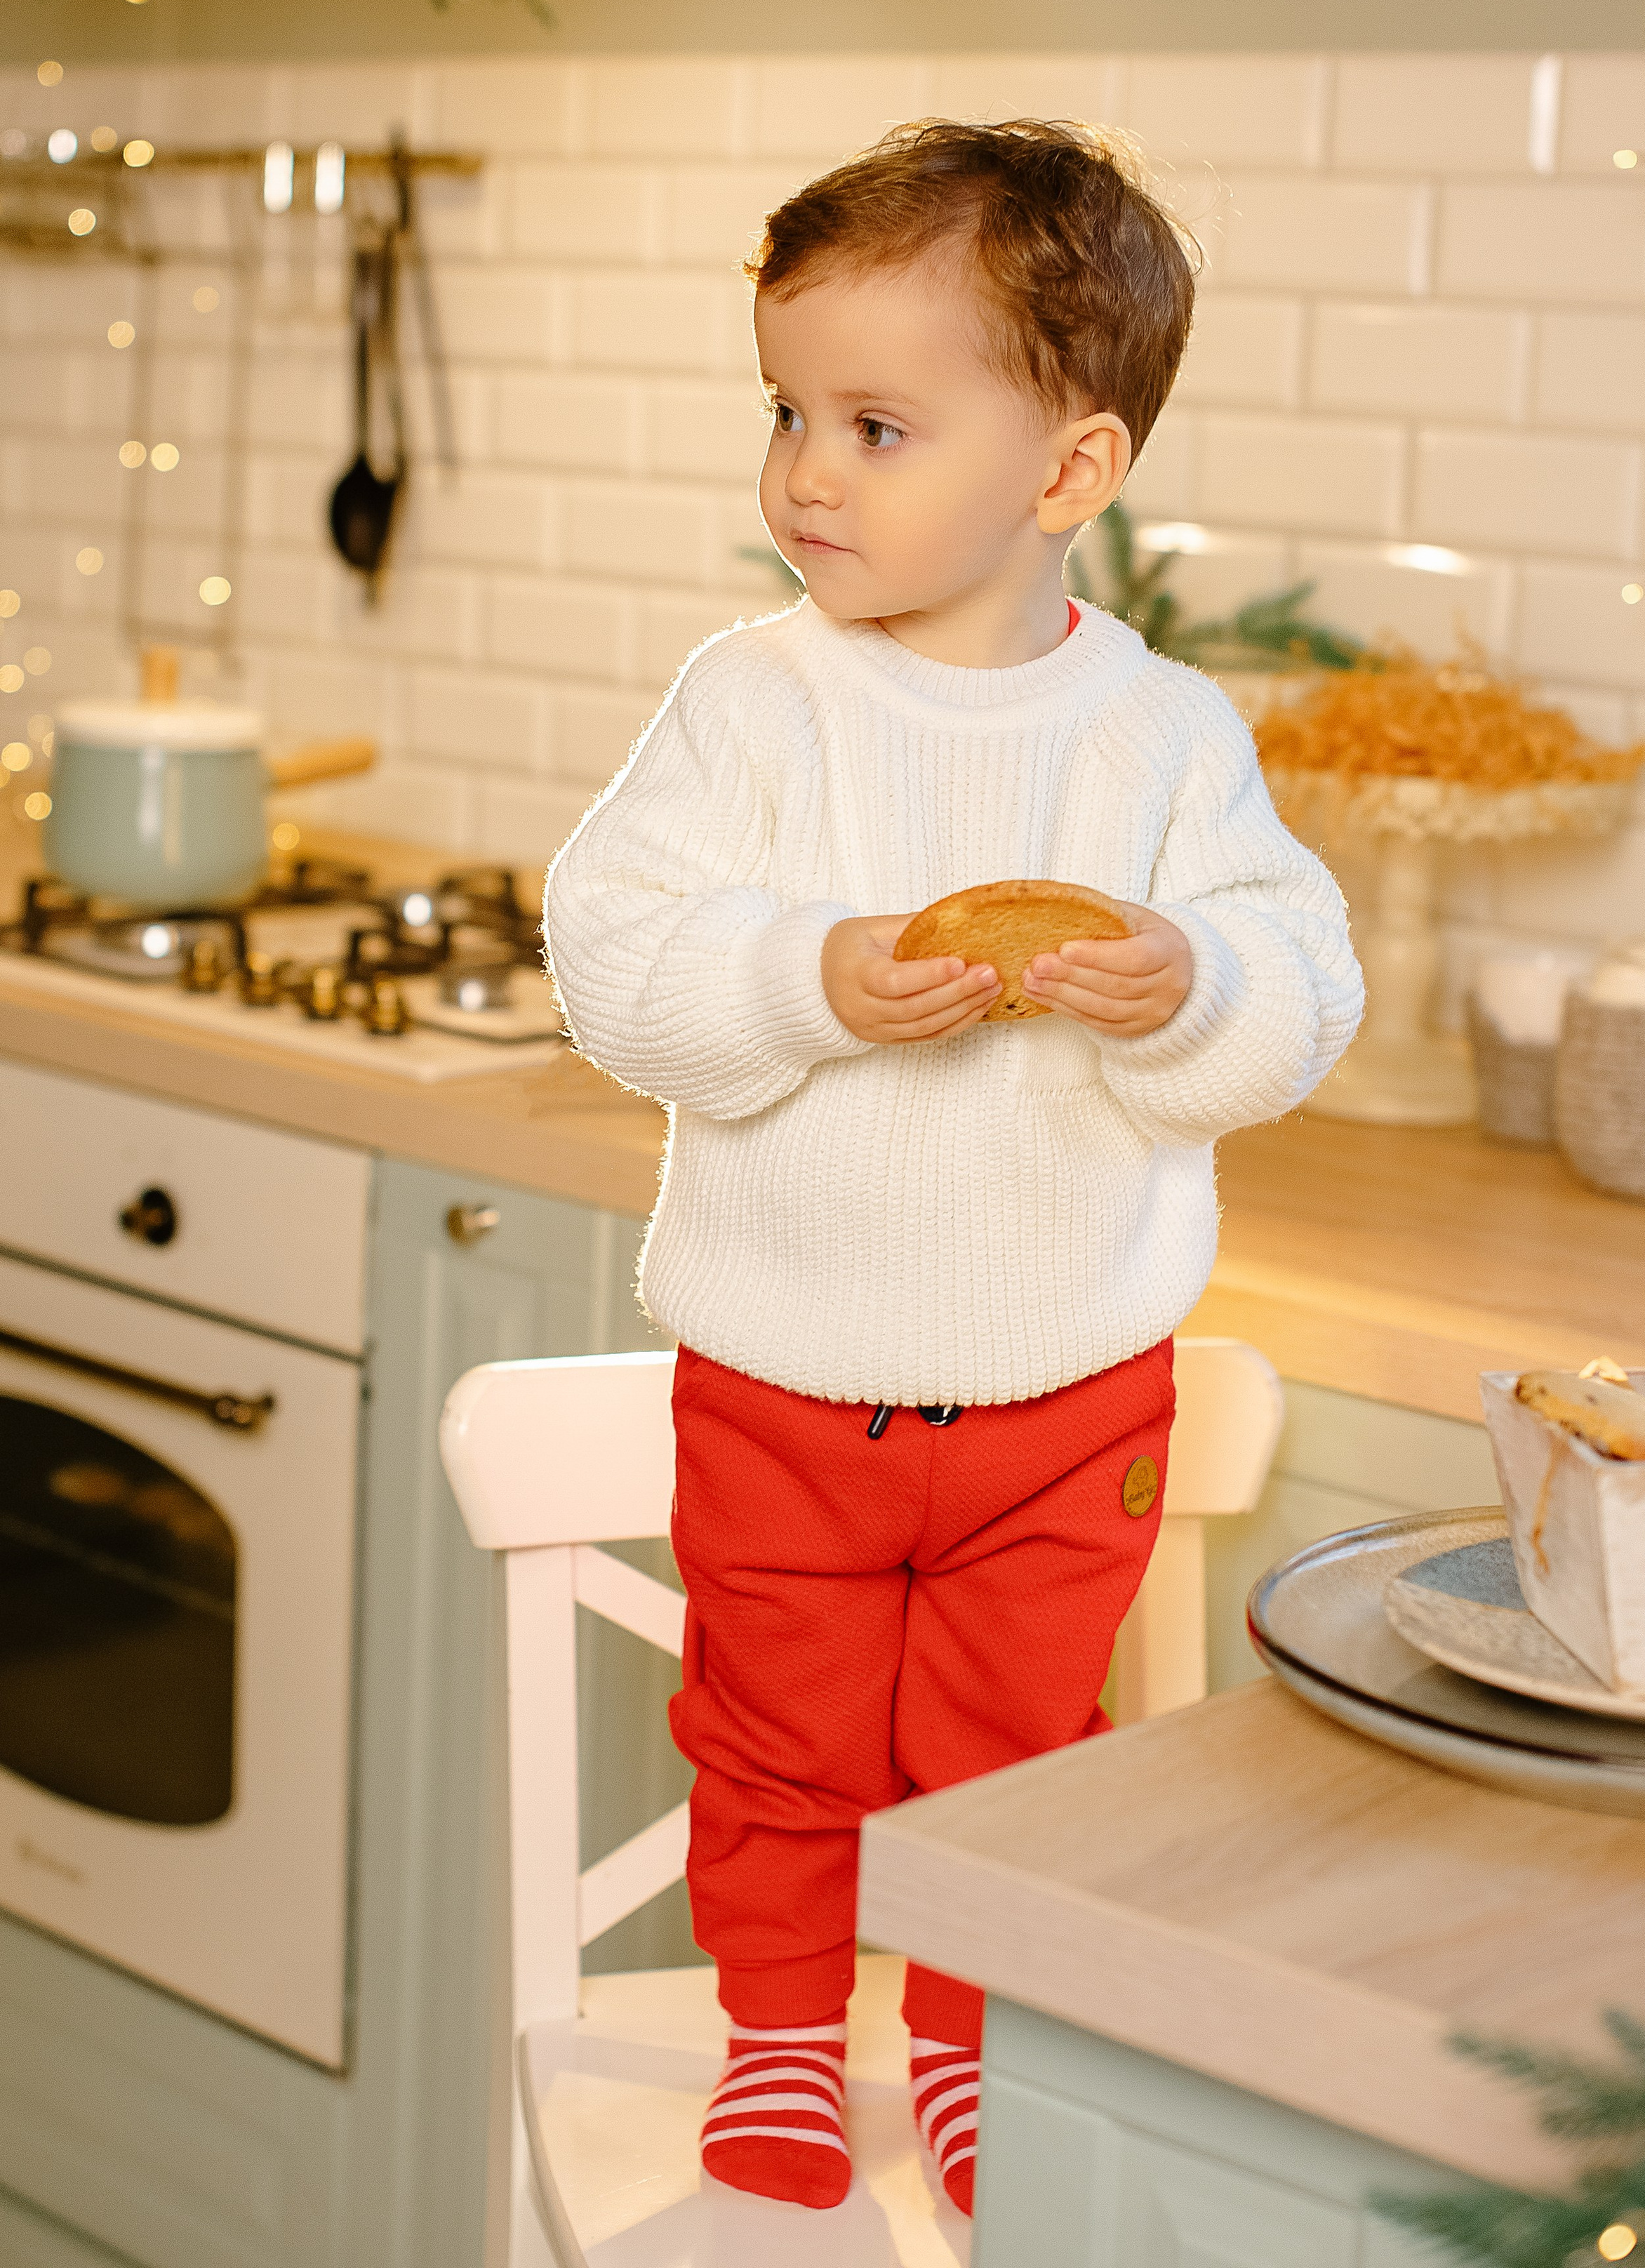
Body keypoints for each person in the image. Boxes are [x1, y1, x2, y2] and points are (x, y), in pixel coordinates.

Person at [543, 119, 1362, 2221]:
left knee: (1018, 1760)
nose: (805, 475)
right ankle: (784, 2032)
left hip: (1067, 1395)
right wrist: (803, 976)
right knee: (779, 1736)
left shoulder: (1165, 741)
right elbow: (613, 962)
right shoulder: (749, 705)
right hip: (783, 1384)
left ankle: (974, 2044)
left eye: (876, 426)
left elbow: (1299, 994)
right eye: (787, 413)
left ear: (1071, 471)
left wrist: (1189, 983)